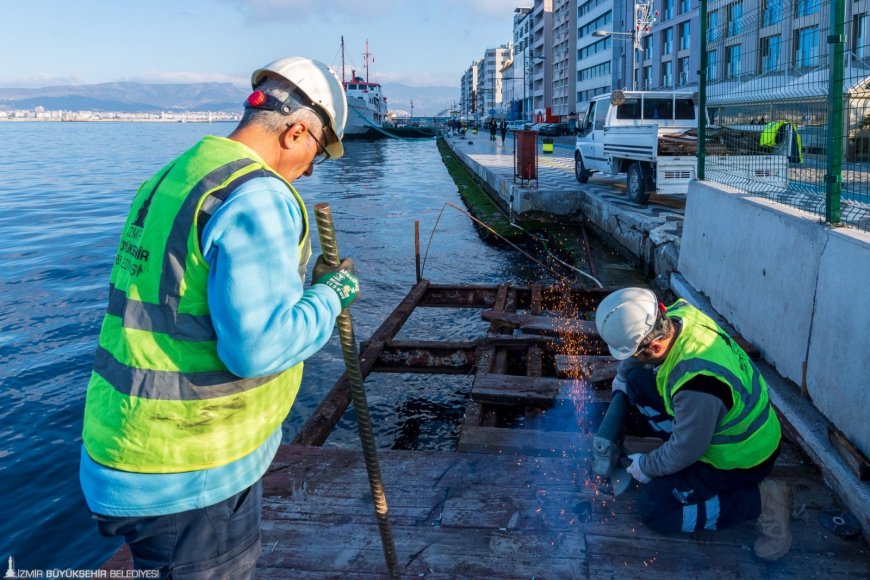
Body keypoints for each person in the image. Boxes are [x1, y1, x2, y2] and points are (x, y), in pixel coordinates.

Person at [79, 56, 359, 578]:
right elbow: (256, 350)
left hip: (122, 449)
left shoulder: (177, 173)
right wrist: (332, 294)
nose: (312, 168)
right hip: (190, 472)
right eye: (316, 150)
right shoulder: (259, 196)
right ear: (296, 131)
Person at [594, 288, 792, 561]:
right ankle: (676, 456)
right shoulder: (677, 316)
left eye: (636, 353)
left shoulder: (697, 384)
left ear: (654, 347)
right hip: (722, 425)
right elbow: (636, 357)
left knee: (654, 508)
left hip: (741, 458)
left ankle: (761, 502)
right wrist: (622, 378)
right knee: (637, 382)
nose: (633, 358)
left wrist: (648, 466)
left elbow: (686, 450)